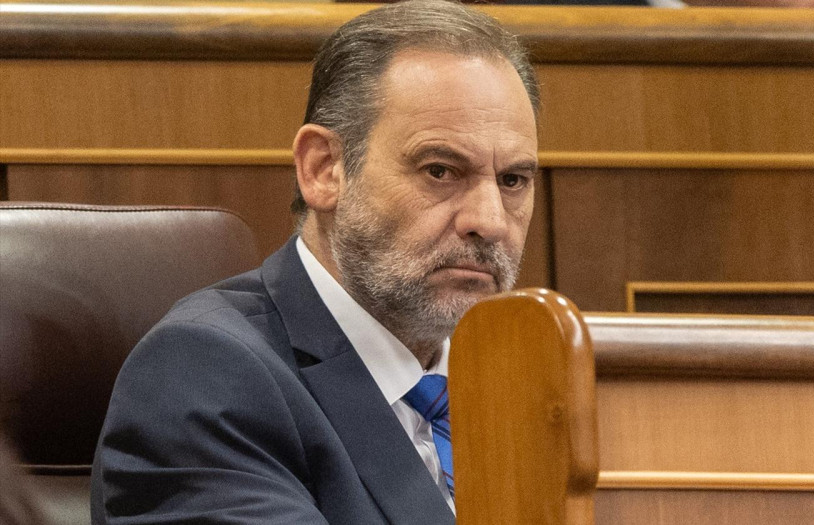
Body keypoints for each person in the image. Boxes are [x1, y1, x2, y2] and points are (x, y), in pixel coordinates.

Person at [90, 0, 539, 522]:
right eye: (440, 170)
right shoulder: (204, 375)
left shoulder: (524, 383)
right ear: (324, 169)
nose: (490, 220)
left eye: (513, 180)